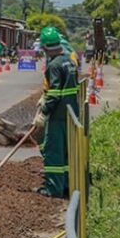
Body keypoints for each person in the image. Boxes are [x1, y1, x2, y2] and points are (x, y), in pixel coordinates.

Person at [33, 26, 78, 198]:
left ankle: (53, 188)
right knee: (66, 152)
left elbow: (55, 93)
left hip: (58, 115)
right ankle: (66, 184)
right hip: (70, 112)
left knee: (54, 153)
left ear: (45, 48)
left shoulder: (54, 65)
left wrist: (44, 111)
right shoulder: (69, 61)